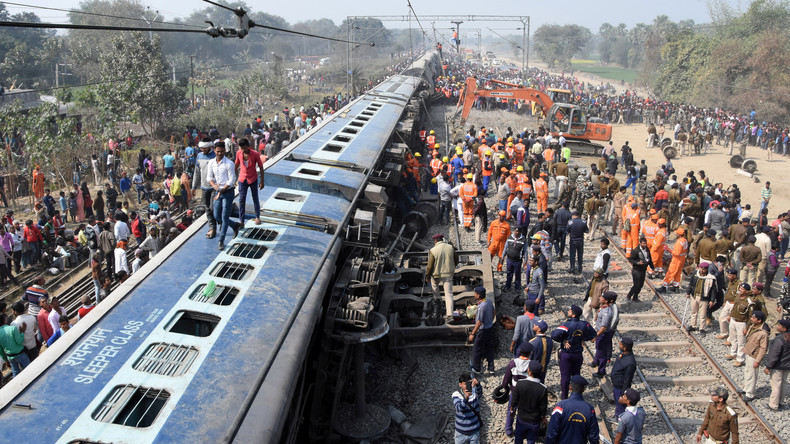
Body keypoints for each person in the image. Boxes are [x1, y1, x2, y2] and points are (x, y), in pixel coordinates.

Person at [551, 305, 596, 399]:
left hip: (566, 354)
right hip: (578, 354)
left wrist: (563, 340)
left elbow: (554, 334)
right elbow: (593, 334)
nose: (568, 312)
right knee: (576, 375)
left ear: (574, 315)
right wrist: (583, 339)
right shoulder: (585, 324)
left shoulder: (567, 325)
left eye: (570, 311)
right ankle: (576, 394)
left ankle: (564, 396)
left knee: (565, 376)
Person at [545, 375, 599, 444]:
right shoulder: (589, 409)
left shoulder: (561, 406)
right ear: (583, 389)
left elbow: (552, 431)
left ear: (570, 387)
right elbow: (593, 435)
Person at [207, 142, 240, 250]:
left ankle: (221, 240)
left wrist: (221, 190)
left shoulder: (229, 163)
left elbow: (231, 181)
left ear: (224, 151)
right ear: (214, 151)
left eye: (221, 151)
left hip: (228, 192)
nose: (219, 153)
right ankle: (234, 225)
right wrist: (214, 186)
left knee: (225, 217)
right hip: (218, 192)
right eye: (218, 151)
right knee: (217, 216)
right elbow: (209, 177)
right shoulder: (211, 163)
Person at [510, 360, 548, 444]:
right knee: (531, 440)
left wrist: (512, 411)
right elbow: (543, 407)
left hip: (521, 419)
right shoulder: (543, 389)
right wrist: (543, 418)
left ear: (529, 372)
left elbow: (514, 401)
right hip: (534, 421)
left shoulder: (520, 384)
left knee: (518, 438)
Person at [503, 341, 533, 436]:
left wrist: (505, 387)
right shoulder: (531, 365)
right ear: (530, 353)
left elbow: (506, 378)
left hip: (514, 391)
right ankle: (522, 429)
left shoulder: (512, 363)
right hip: (527, 392)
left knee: (511, 410)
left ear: (519, 351)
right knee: (524, 411)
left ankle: (508, 429)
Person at [426, 233, 458, 320]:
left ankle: (438, 299)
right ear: (442, 239)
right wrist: (452, 266)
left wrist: (427, 276)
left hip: (437, 275)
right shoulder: (450, 248)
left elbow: (429, 266)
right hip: (448, 274)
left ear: (435, 241)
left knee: (434, 285)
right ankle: (450, 315)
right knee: (449, 294)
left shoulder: (433, 250)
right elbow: (456, 259)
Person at [234, 138, 265, 227]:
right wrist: (233, 176)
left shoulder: (255, 154)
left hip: (253, 179)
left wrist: (262, 181)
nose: (243, 150)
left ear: (248, 146)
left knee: (255, 198)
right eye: (241, 148)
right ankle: (241, 220)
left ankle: (257, 216)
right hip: (242, 179)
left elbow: (261, 167)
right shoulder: (238, 153)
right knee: (241, 199)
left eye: (244, 148)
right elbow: (236, 164)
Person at [742, 310, 769, 401]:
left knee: (752, 375)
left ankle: (750, 394)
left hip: (754, 356)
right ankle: (745, 389)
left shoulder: (763, 333)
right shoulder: (752, 327)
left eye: (754, 318)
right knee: (747, 372)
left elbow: (763, 349)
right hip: (748, 353)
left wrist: (757, 361)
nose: (751, 319)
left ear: (759, 320)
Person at [193, 139, 217, 239]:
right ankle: (212, 228)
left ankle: (216, 225)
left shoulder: (215, 156)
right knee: (207, 208)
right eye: (201, 148)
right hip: (204, 187)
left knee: (213, 208)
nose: (203, 150)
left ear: (210, 147)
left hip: (215, 187)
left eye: (205, 148)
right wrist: (194, 186)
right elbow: (197, 172)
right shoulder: (199, 156)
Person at [764, 319, 790, 411]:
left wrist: (768, 366)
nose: (777, 326)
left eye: (779, 326)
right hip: (787, 366)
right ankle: (780, 402)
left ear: (784, 328)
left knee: (776, 385)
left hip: (778, 366)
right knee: (783, 384)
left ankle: (773, 405)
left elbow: (774, 355)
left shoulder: (779, 340)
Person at [469, 286, 496, 375]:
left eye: (475, 293)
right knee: (489, 348)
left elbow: (479, 322)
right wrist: (490, 321)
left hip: (483, 331)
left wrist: (472, 333)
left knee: (476, 349)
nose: (474, 295)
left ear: (478, 295)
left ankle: (477, 368)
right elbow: (494, 312)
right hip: (490, 328)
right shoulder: (488, 301)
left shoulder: (481, 306)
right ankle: (491, 368)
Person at [685, 263, 719, 332]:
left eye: (704, 269)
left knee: (702, 315)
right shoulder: (695, 274)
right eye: (701, 268)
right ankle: (693, 325)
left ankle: (702, 328)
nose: (702, 270)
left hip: (704, 298)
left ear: (706, 269)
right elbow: (691, 284)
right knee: (694, 312)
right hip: (695, 296)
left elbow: (713, 290)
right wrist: (688, 293)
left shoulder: (710, 278)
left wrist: (712, 300)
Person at [593, 291, 619, 377]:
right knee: (599, 349)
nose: (600, 298)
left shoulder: (606, 312)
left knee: (602, 353)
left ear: (608, 301)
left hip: (602, 334)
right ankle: (596, 362)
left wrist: (595, 336)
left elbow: (604, 327)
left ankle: (601, 371)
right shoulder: (603, 308)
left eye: (602, 298)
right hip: (601, 333)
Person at [452, 373, 481, 443]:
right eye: (465, 384)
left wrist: (478, 385)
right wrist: (466, 397)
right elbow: (460, 408)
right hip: (460, 433)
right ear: (460, 384)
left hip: (474, 432)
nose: (467, 386)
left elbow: (480, 394)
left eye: (469, 383)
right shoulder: (456, 395)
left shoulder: (474, 392)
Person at [627, 237, 654, 302]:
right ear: (640, 243)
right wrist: (637, 263)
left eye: (645, 243)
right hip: (636, 270)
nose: (645, 245)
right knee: (636, 284)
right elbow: (630, 259)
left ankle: (635, 297)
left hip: (643, 270)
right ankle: (629, 296)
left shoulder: (647, 250)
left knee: (641, 285)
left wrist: (652, 267)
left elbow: (649, 259)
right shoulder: (635, 251)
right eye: (644, 243)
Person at [503, 227, 528, 292]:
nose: (516, 232)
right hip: (509, 259)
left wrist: (525, 261)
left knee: (517, 274)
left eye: (517, 231)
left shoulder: (523, 240)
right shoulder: (509, 238)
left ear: (520, 232)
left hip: (518, 260)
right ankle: (508, 286)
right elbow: (505, 248)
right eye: (515, 231)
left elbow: (525, 251)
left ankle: (517, 287)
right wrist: (502, 256)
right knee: (509, 273)